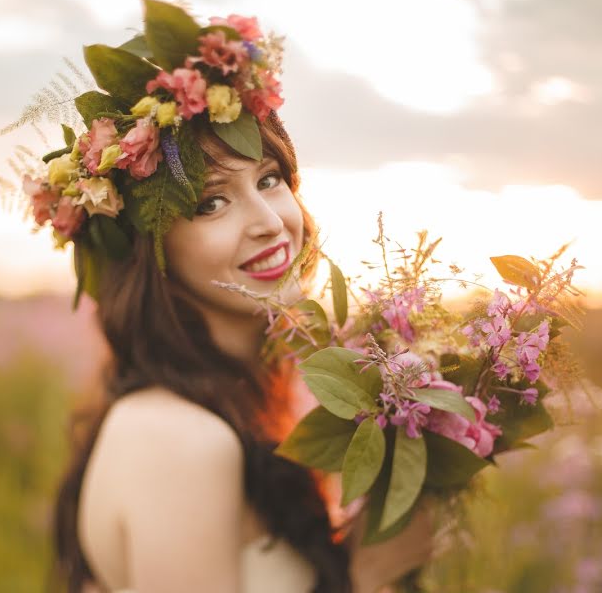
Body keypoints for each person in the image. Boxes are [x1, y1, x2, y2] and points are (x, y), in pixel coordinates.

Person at [49, 113, 435, 593]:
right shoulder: (178, 438)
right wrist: (366, 575)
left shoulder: (243, 403)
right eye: (212, 202)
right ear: (149, 248)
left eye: (269, 179)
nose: (270, 223)